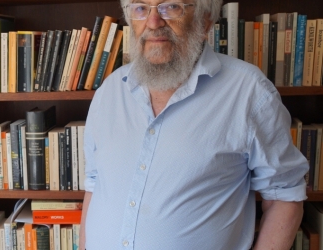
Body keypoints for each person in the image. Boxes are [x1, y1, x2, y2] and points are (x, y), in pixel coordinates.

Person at [79, 0, 309, 249]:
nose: (153, 22)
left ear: (206, 19)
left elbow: (284, 197)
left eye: (171, 7)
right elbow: (95, 185)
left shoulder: (250, 92)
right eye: (141, 8)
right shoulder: (110, 91)